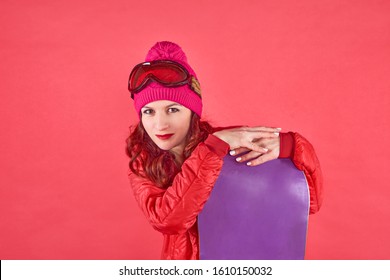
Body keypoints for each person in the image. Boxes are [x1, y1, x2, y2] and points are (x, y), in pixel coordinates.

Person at [126, 41, 323, 260]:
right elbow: (168, 220)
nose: (160, 124)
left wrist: (293, 147)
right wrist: (210, 150)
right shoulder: (143, 164)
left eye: (173, 109)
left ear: (193, 112)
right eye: (148, 111)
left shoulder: (227, 144)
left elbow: (308, 204)